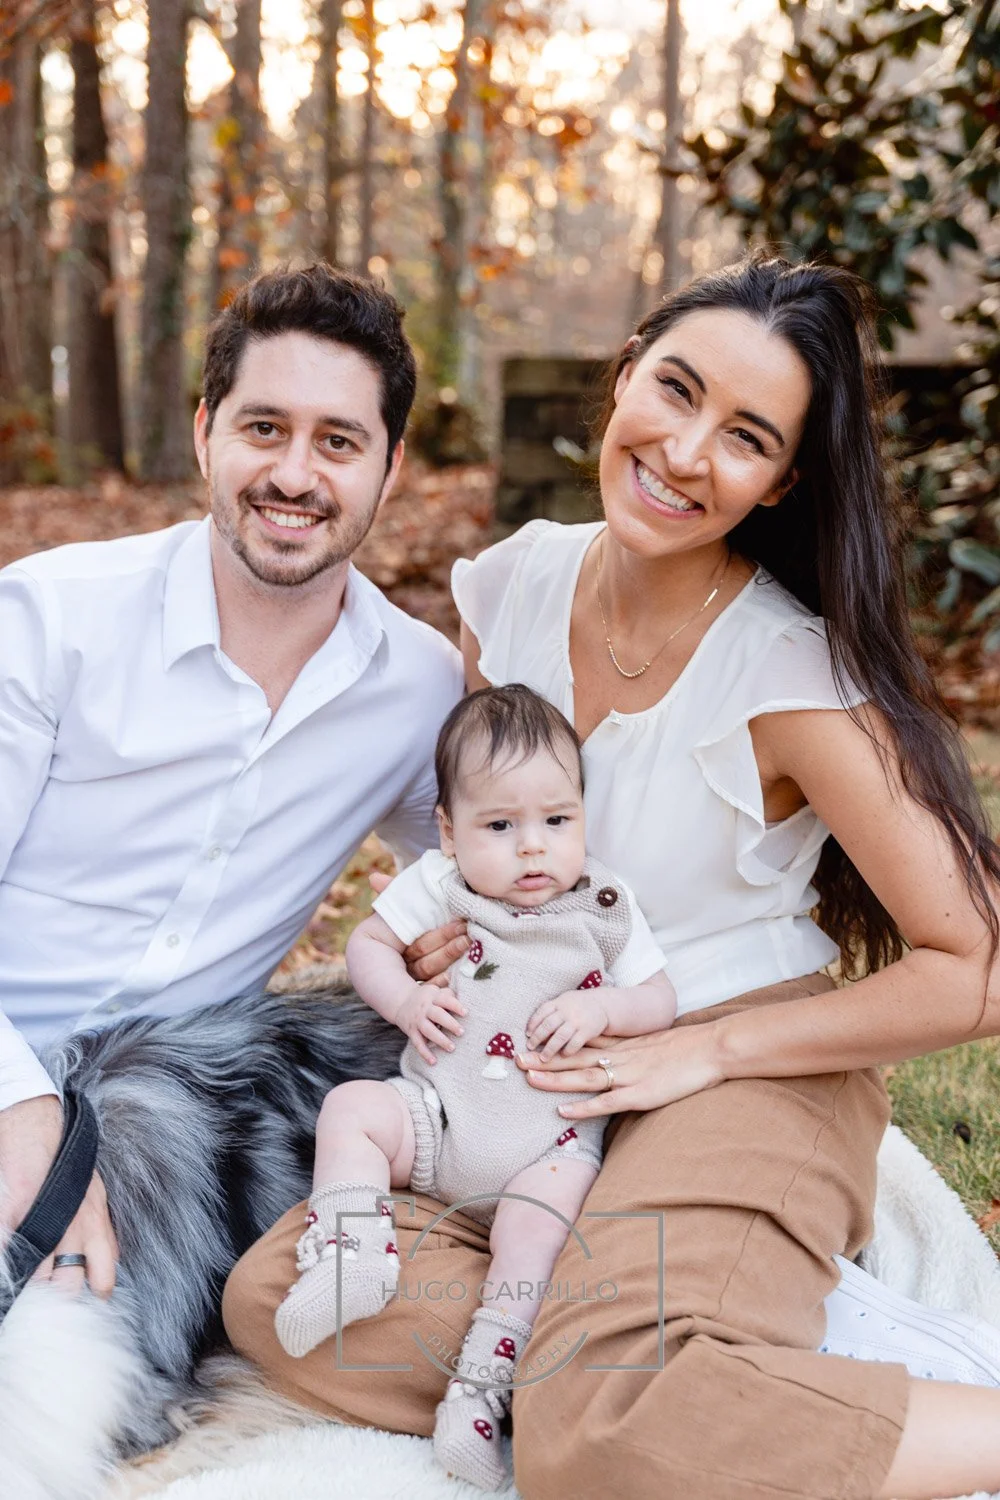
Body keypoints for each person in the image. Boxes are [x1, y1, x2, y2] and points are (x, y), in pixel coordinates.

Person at [224, 252, 1000, 1500]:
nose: (688, 452)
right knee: (280, 1296)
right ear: (624, 373)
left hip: (745, 1056)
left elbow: (979, 964)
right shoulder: (518, 578)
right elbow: (486, 827)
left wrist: (705, 1055)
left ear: (782, 481)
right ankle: (676, 1350)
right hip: (545, 1067)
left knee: (594, 1434)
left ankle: (703, 1377)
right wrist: (447, 935)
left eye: (745, 436)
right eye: (676, 389)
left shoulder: (792, 680)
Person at [0, 264, 462, 1303]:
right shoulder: (50, 618)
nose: (294, 475)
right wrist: (22, 1117)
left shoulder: (416, 687)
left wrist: (434, 935)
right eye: (264, 428)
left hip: (174, 1125)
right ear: (207, 432)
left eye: (337, 442)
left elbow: (480, 873)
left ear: (389, 470)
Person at [273, 683, 674, 1488]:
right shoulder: (438, 885)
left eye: (557, 822)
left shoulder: (602, 904)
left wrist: (605, 1007)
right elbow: (366, 948)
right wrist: (406, 998)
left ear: (583, 820)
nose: (534, 850)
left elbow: (659, 1001)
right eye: (501, 826)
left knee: (538, 1234)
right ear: (451, 833)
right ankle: (354, 1258)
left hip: (546, 1145)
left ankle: (478, 1396)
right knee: (352, 1107)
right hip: (439, 1119)